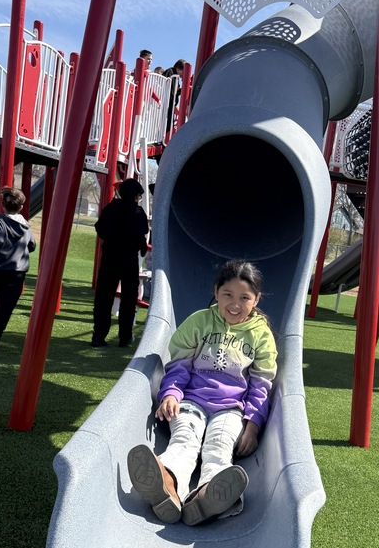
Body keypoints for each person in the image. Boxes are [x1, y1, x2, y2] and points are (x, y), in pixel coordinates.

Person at [127, 260, 278, 526]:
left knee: (219, 448)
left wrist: (253, 424)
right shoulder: (200, 322)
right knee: (185, 440)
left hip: (230, 409)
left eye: (244, 297)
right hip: (191, 401)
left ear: (256, 299)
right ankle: (169, 483)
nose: (234, 304)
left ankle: (208, 494)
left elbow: (261, 384)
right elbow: (179, 366)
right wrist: (171, 394)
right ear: (216, 291)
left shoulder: (260, 335)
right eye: (227, 295)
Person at [92, 176, 149, 348]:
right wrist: (141, 247)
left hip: (110, 257)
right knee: (129, 298)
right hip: (129, 259)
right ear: (135, 195)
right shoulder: (138, 212)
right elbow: (141, 235)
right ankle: (125, 336)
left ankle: (99, 335)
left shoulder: (111, 208)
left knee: (104, 297)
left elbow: (100, 229)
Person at [0, 186, 36, 351]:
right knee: (7, 304)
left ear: (3, 205)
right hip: (18, 270)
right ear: (21, 207)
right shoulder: (26, 225)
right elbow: (32, 245)